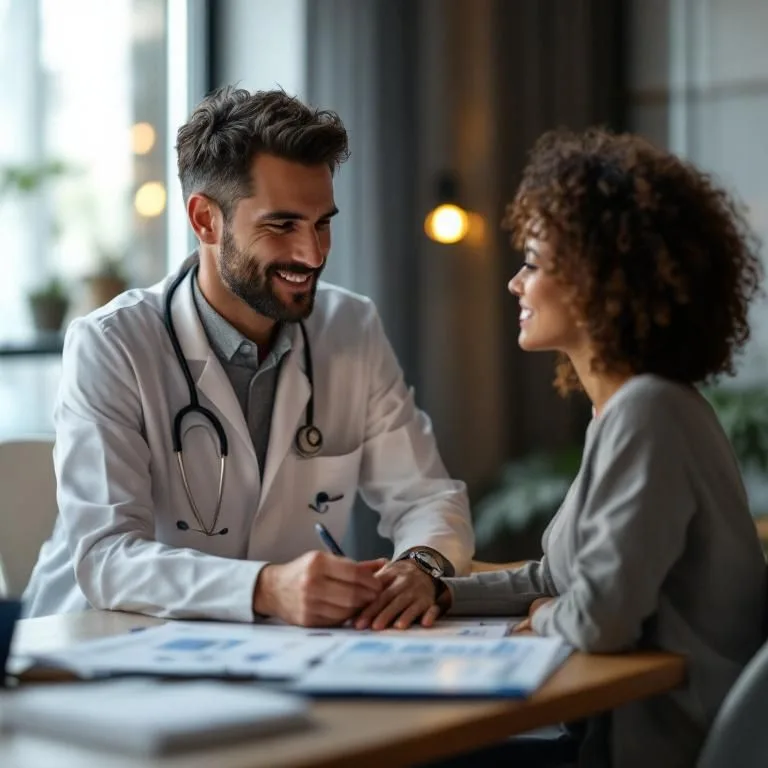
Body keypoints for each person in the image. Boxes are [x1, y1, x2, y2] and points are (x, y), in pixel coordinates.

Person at [23, 87, 474, 627]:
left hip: (266, 654)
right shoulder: (113, 343)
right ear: (205, 220)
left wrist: (421, 565)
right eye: (281, 225)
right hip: (99, 650)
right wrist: (264, 587)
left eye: (322, 223)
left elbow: (426, 494)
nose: (311, 254)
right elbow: (107, 558)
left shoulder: (351, 328)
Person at [423, 128, 768, 767]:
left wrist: (551, 615)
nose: (514, 285)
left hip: (658, 745)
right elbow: (560, 581)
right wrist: (441, 591)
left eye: (532, 262)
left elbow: (598, 619)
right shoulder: (631, 410)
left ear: (594, 279)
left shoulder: (649, 414)